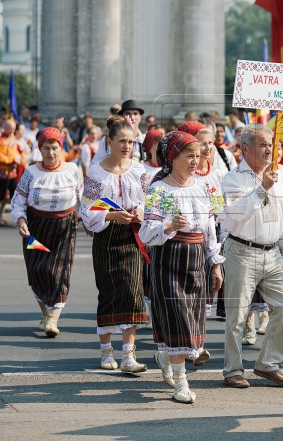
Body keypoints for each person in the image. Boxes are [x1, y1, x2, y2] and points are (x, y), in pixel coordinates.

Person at [140, 131, 224, 403]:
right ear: (173, 156)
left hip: (197, 257)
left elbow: (212, 227)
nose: (195, 161)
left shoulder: (206, 187)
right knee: (177, 318)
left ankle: (166, 356)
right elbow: (146, 233)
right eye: (189, 155)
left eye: (198, 156)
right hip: (169, 257)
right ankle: (181, 382)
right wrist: (168, 226)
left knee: (192, 319)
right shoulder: (159, 189)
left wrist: (215, 264)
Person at [221, 124, 283, 389]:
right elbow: (235, 215)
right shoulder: (233, 179)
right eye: (263, 144)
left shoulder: (279, 177)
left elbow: (282, 217)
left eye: (271, 144)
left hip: (273, 253)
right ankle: (232, 370)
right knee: (237, 316)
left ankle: (268, 363)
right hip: (241, 251)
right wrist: (261, 188)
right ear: (245, 148)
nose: (269, 149)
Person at [80, 121, 148, 374]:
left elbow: (149, 201)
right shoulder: (97, 172)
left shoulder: (139, 170)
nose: (127, 146)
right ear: (109, 142)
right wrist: (110, 216)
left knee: (132, 291)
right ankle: (106, 351)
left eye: (130, 142)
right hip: (106, 236)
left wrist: (139, 213)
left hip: (132, 235)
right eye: (122, 141)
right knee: (108, 292)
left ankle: (129, 355)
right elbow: (87, 209)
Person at [11, 128, 82, 337]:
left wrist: (90, 222)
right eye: (46, 148)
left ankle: (53, 319)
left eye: (55, 148)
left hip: (65, 227)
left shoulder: (73, 170)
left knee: (61, 271)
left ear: (62, 148)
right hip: (36, 227)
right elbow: (17, 201)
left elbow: (83, 200)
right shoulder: (31, 173)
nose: (51, 152)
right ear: (39, 150)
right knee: (37, 270)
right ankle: (45, 313)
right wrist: (21, 221)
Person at [179, 121, 228, 323]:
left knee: (204, 289)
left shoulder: (219, 175)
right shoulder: (181, 177)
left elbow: (225, 209)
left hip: (213, 235)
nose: (207, 148)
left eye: (210, 143)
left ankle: (194, 341)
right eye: (202, 143)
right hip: (185, 236)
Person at [91, 100, 146, 165]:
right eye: (128, 114)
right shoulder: (108, 139)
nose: (132, 117)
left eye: (135, 114)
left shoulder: (145, 140)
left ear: (140, 117)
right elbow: (95, 164)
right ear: (122, 116)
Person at [0, 120, 21, 226]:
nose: (12, 130)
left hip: (12, 172)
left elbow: (16, 153)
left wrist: (17, 159)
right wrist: (12, 160)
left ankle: (19, 218)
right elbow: (0, 157)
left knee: (14, 195)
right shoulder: (0, 141)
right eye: (10, 128)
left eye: (13, 128)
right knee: (0, 195)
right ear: (4, 127)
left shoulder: (11, 139)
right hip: (3, 171)